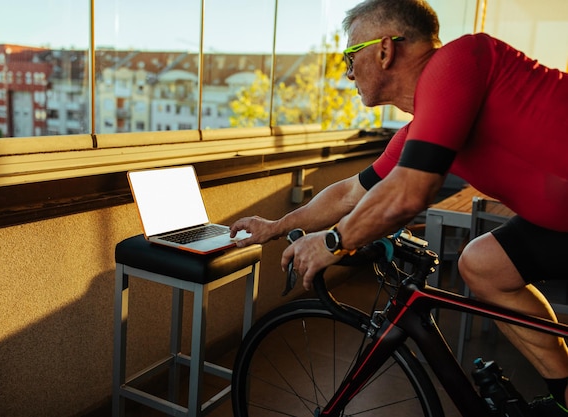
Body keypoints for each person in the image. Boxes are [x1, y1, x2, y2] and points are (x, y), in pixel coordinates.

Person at [230, 0, 568, 414]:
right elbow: (351, 192)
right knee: (483, 264)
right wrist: (276, 225)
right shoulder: (421, 127)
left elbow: (410, 192)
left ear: (385, 50)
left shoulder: (458, 61)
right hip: (558, 223)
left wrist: (333, 242)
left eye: (350, 56)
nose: (348, 72)